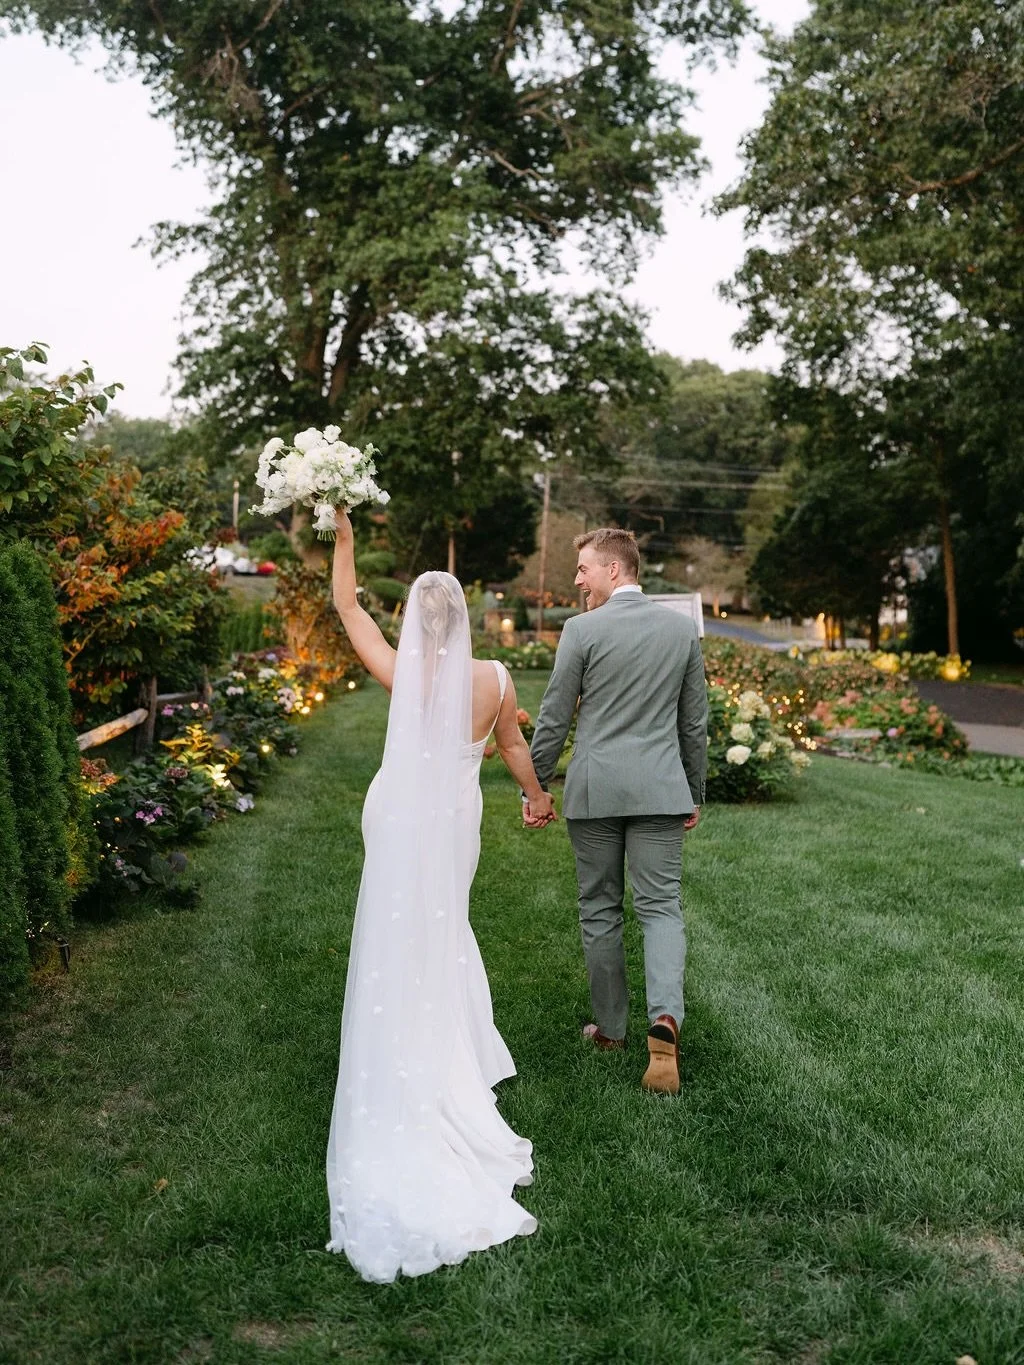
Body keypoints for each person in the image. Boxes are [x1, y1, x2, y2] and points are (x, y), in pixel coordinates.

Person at [325, 510, 553, 1283]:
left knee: (402, 927)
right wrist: (536, 796)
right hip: (456, 820)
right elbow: (514, 744)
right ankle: (451, 1043)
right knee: (444, 922)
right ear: (465, 617)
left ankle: (412, 1035)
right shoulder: (494, 679)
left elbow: (347, 606)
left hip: (397, 817)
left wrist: (344, 536)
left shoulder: (403, 671)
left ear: (414, 620)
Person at [526, 528, 707, 1095]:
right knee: (660, 908)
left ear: (612, 570)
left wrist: (535, 786)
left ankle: (609, 1030)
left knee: (600, 907)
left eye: (582, 569)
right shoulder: (681, 631)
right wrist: (693, 791)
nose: (577, 581)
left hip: (595, 789)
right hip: (660, 788)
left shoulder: (581, 631)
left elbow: (555, 716)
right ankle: (666, 1018)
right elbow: (694, 723)